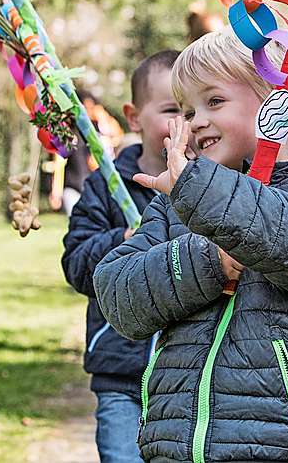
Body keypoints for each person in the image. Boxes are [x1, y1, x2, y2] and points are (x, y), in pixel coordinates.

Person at [93, 28, 288, 463]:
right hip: (173, 445)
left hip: (275, 445)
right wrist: (209, 260)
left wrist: (200, 195)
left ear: (279, 101)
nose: (196, 122)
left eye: (214, 102)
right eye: (189, 110)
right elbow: (118, 294)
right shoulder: (175, 207)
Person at [60, 50, 180, 463]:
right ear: (134, 117)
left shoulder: (210, 189)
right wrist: (125, 238)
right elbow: (76, 264)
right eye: (170, 110)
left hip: (186, 376)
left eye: (193, 109)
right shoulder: (105, 188)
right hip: (121, 371)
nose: (185, 124)